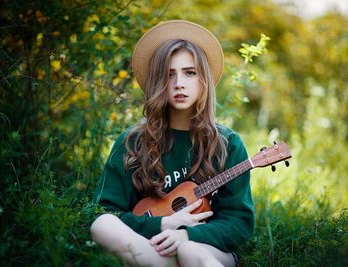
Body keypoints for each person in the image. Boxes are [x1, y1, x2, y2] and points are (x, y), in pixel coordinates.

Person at [90, 20, 255, 267]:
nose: (179, 83)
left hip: (205, 249)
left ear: (203, 80)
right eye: (169, 74)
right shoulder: (132, 142)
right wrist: (162, 225)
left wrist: (187, 235)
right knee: (102, 225)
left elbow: (239, 222)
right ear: (157, 82)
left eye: (189, 72)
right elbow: (104, 211)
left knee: (190, 252)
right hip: (150, 247)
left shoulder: (227, 144)